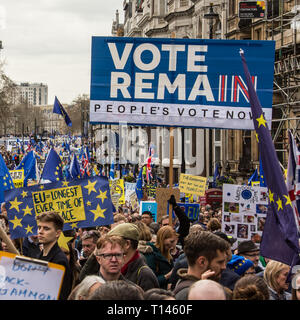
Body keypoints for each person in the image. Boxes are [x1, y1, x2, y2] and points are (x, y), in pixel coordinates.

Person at [173, 230, 229, 300]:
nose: (224, 267)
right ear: (202, 262)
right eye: (220, 262)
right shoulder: (189, 295)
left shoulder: (184, 287)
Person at [107, 223, 159, 291]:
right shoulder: (118, 268)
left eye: (114, 241)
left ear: (127, 244)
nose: (110, 245)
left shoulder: (144, 275)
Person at [36, 211, 73, 300]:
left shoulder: (59, 261)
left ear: (58, 233)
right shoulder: (39, 256)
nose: (40, 232)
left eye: (46, 228)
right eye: (39, 227)